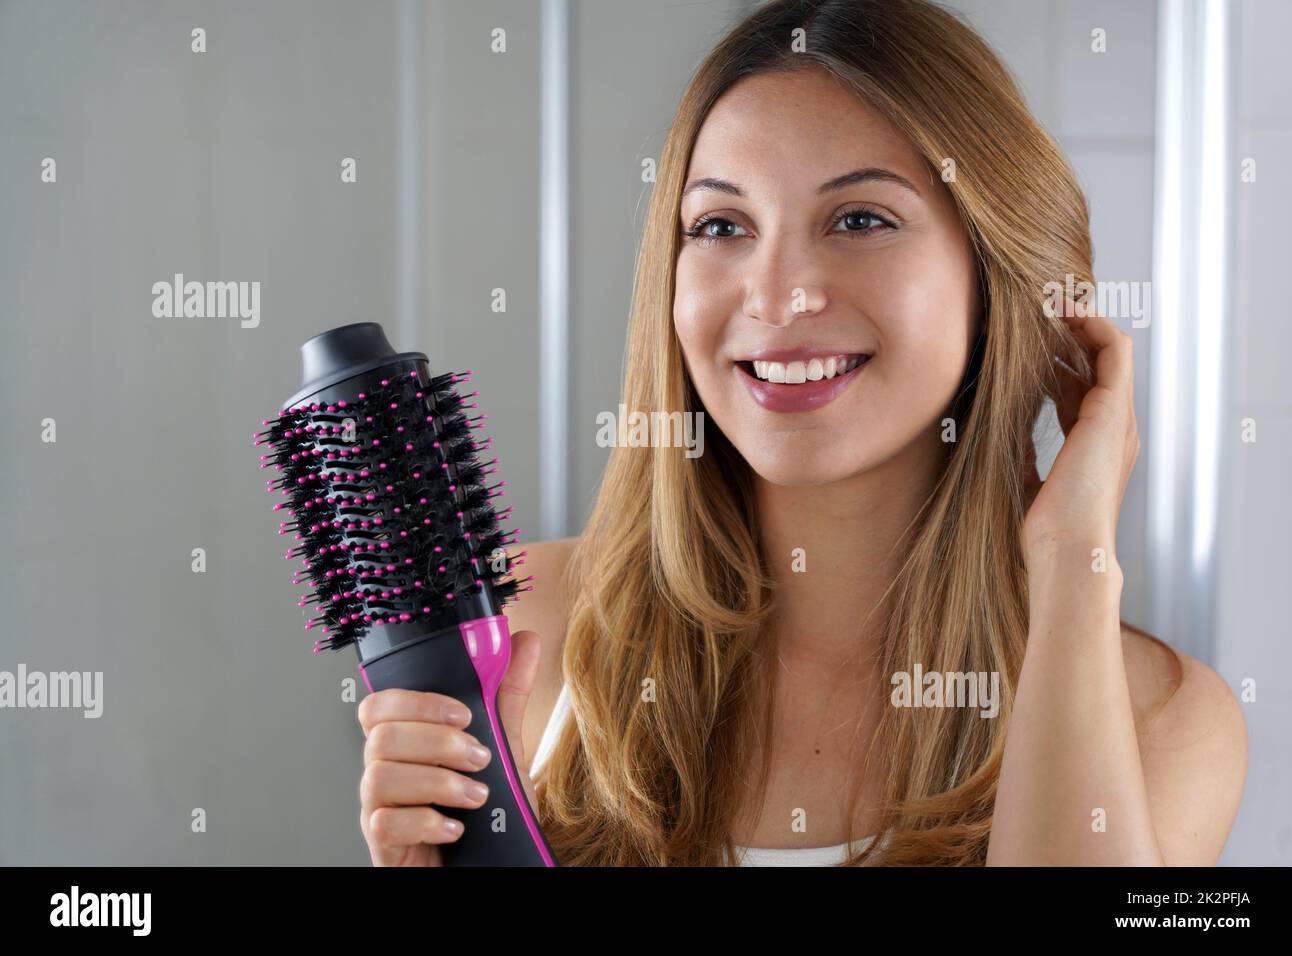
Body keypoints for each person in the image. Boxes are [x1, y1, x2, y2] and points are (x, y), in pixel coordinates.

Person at [357, 0, 1247, 867]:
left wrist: (1070, 560)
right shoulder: (525, 628)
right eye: (720, 226)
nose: (778, 294)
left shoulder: (1160, 721)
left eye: (860, 219)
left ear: (999, 281)